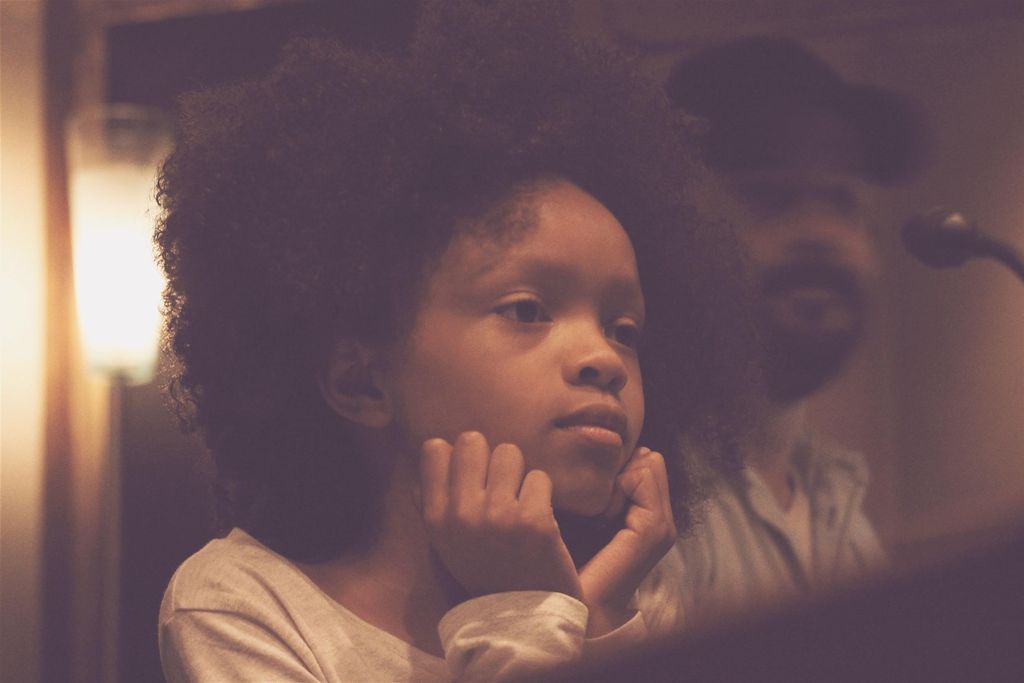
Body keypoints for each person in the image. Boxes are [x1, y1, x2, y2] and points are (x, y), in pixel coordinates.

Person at [156, 2, 758, 680]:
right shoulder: (242, 605)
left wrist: (598, 618)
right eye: (528, 309)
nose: (602, 358)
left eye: (625, 329)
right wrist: (524, 618)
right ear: (364, 381)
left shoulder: (643, 601)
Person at [664, 35, 926, 625]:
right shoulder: (644, 501)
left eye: (840, 200)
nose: (820, 232)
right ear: (669, 231)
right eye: (771, 197)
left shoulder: (836, 496)